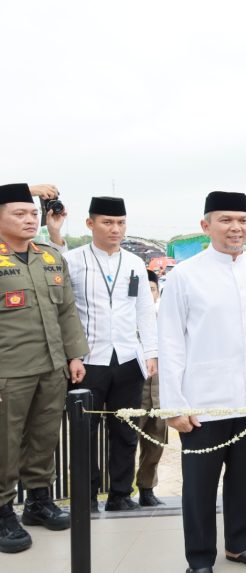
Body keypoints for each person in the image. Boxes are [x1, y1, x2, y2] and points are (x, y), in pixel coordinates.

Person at [159, 191, 246, 573]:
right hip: (203, 402)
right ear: (206, 225)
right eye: (226, 220)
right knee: (199, 487)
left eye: (243, 220)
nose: (236, 228)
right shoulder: (185, 275)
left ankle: (240, 544)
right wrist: (174, 405)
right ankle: (199, 559)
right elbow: (170, 342)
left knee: (243, 480)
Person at [0, 183, 88, 554]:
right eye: (19, 213)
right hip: (9, 370)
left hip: (52, 367)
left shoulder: (50, 257)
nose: (29, 218)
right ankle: (4, 510)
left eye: (32, 213)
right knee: (4, 440)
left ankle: (38, 499)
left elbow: (66, 310)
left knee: (45, 435)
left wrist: (74, 355)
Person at [59, 197, 158, 512]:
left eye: (121, 223)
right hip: (88, 361)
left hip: (128, 359)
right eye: (107, 222)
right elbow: (64, 310)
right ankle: (85, 498)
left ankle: (119, 494)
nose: (115, 229)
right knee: (84, 433)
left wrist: (151, 352)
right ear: (90, 224)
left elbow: (144, 309)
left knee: (125, 431)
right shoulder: (72, 260)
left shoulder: (134, 263)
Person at [136, 269, 168, 506]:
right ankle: (119, 492)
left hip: (160, 391)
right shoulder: (128, 319)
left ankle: (147, 489)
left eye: (152, 290)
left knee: (155, 443)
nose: (149, 295)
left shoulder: (166, 320)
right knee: (126, 443)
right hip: (135, 391)